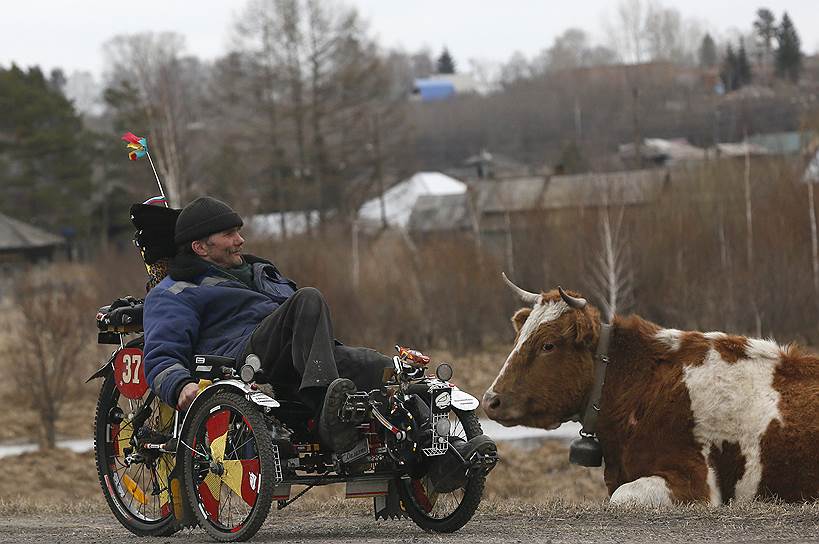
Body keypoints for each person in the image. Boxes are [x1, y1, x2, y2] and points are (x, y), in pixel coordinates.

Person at [143, 196, 393, 453]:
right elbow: (160, 355)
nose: (240, 240)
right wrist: (180, 385)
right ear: (200, 247)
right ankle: (325, 411)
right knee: (308, 297)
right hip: (243, 360)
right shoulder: (174, 292)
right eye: (229, 234)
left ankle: (422, 451)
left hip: (300, 359)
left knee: (379, 367)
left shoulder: (262, 271)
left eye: (238, 232)